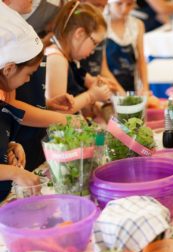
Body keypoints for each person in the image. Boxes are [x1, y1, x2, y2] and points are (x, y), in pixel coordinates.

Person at [0, 2, 71, 200]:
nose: (29, 80)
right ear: (8, 69)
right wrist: (14, 172)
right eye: (29, 74)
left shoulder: (5, 92)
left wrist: (9, 145)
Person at [45, 0, 112, 113]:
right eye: (94, 43)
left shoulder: (67, 58)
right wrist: (91, 96)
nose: (93, 51)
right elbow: (57, 112)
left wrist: (94, 84)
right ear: (79, 34)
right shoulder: (57, 59)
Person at [105, 0, 149, 93]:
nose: (124, 9)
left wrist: (145, 88)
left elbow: (141, 59)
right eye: (119, 4)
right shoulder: (101, 24)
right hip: (107, 87)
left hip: (131, 84)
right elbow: (102, 67)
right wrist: (120, 92)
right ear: (109, 3)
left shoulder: (137, 25)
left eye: (129, 4)